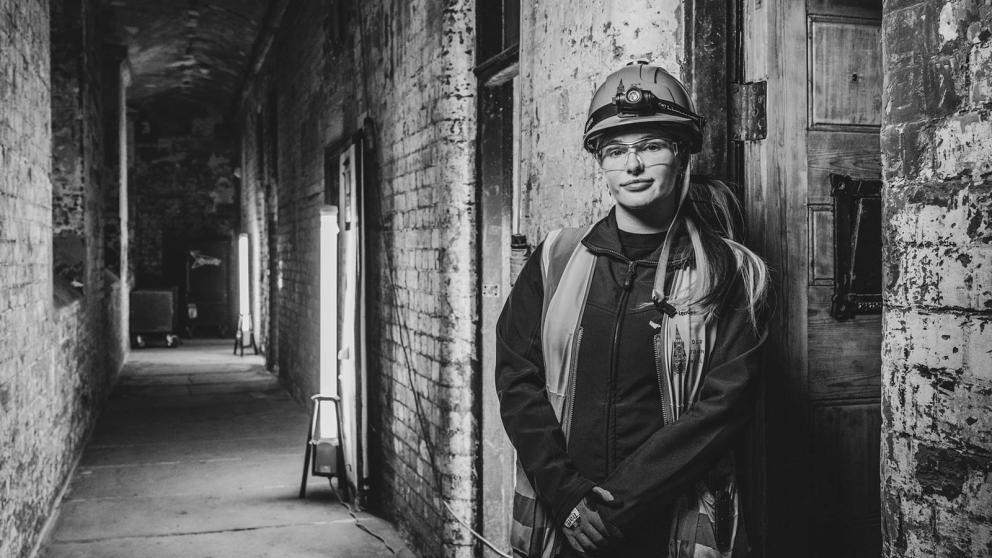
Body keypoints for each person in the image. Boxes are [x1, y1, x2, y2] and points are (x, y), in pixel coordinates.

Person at [495, 61, 768, 558]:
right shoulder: (557, 258)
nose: (633, 166)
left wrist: (612, 507)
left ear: (683, 154)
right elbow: (517, 378)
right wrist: (567, 495)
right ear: (600, 161)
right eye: (616, 150)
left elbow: (724, 407)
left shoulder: (728, 272)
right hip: (564, 519)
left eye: (651, 147)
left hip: (668, 523)